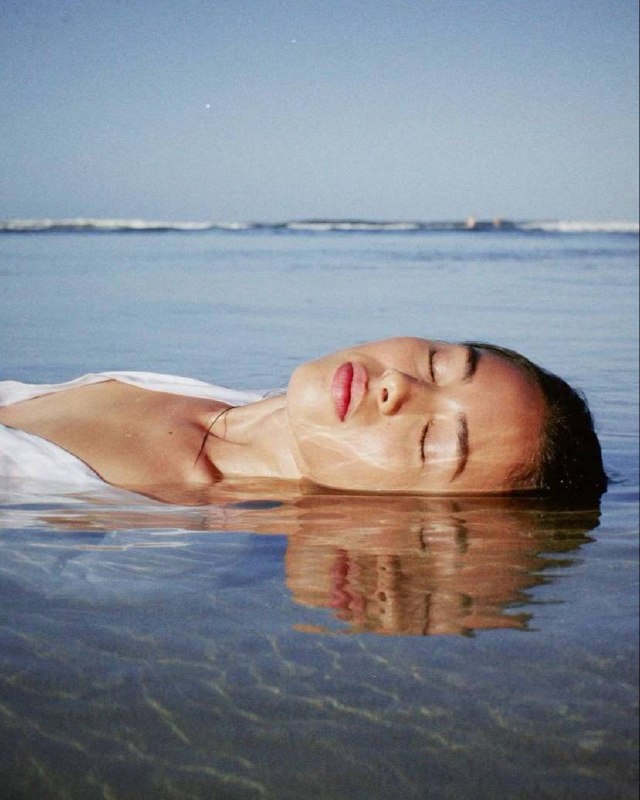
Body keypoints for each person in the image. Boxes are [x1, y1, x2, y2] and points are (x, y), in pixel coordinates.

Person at [0, 337, 607, 503]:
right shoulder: (227, 397)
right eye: (437, 363)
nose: (399, 386)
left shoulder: (158, 533)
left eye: (430, 442)